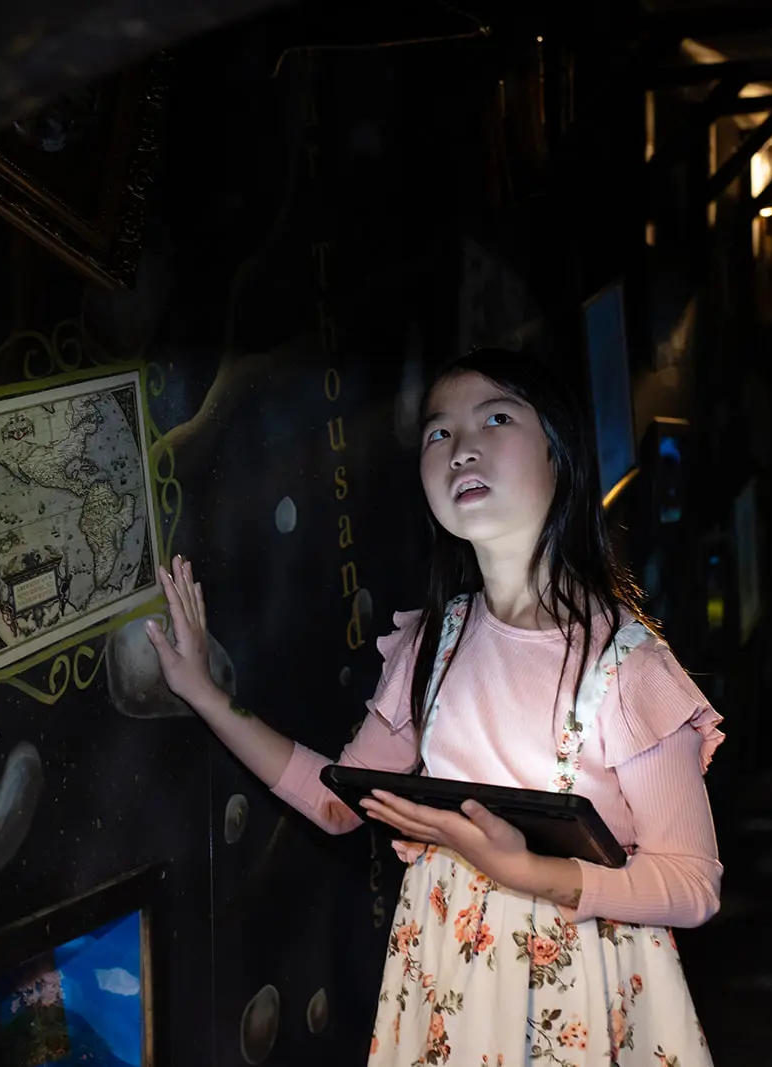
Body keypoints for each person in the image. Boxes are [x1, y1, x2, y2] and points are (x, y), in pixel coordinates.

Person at [146, 348, 725, 1066]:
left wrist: (527, 872)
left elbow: (693, 882)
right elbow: (337, 800)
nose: (461, 448)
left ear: (559, 453)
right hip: (447, 977)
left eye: (497, 418)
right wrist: (204, 690)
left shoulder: (630, 664)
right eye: (438, 432)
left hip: (574, 995)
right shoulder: (433, 643)